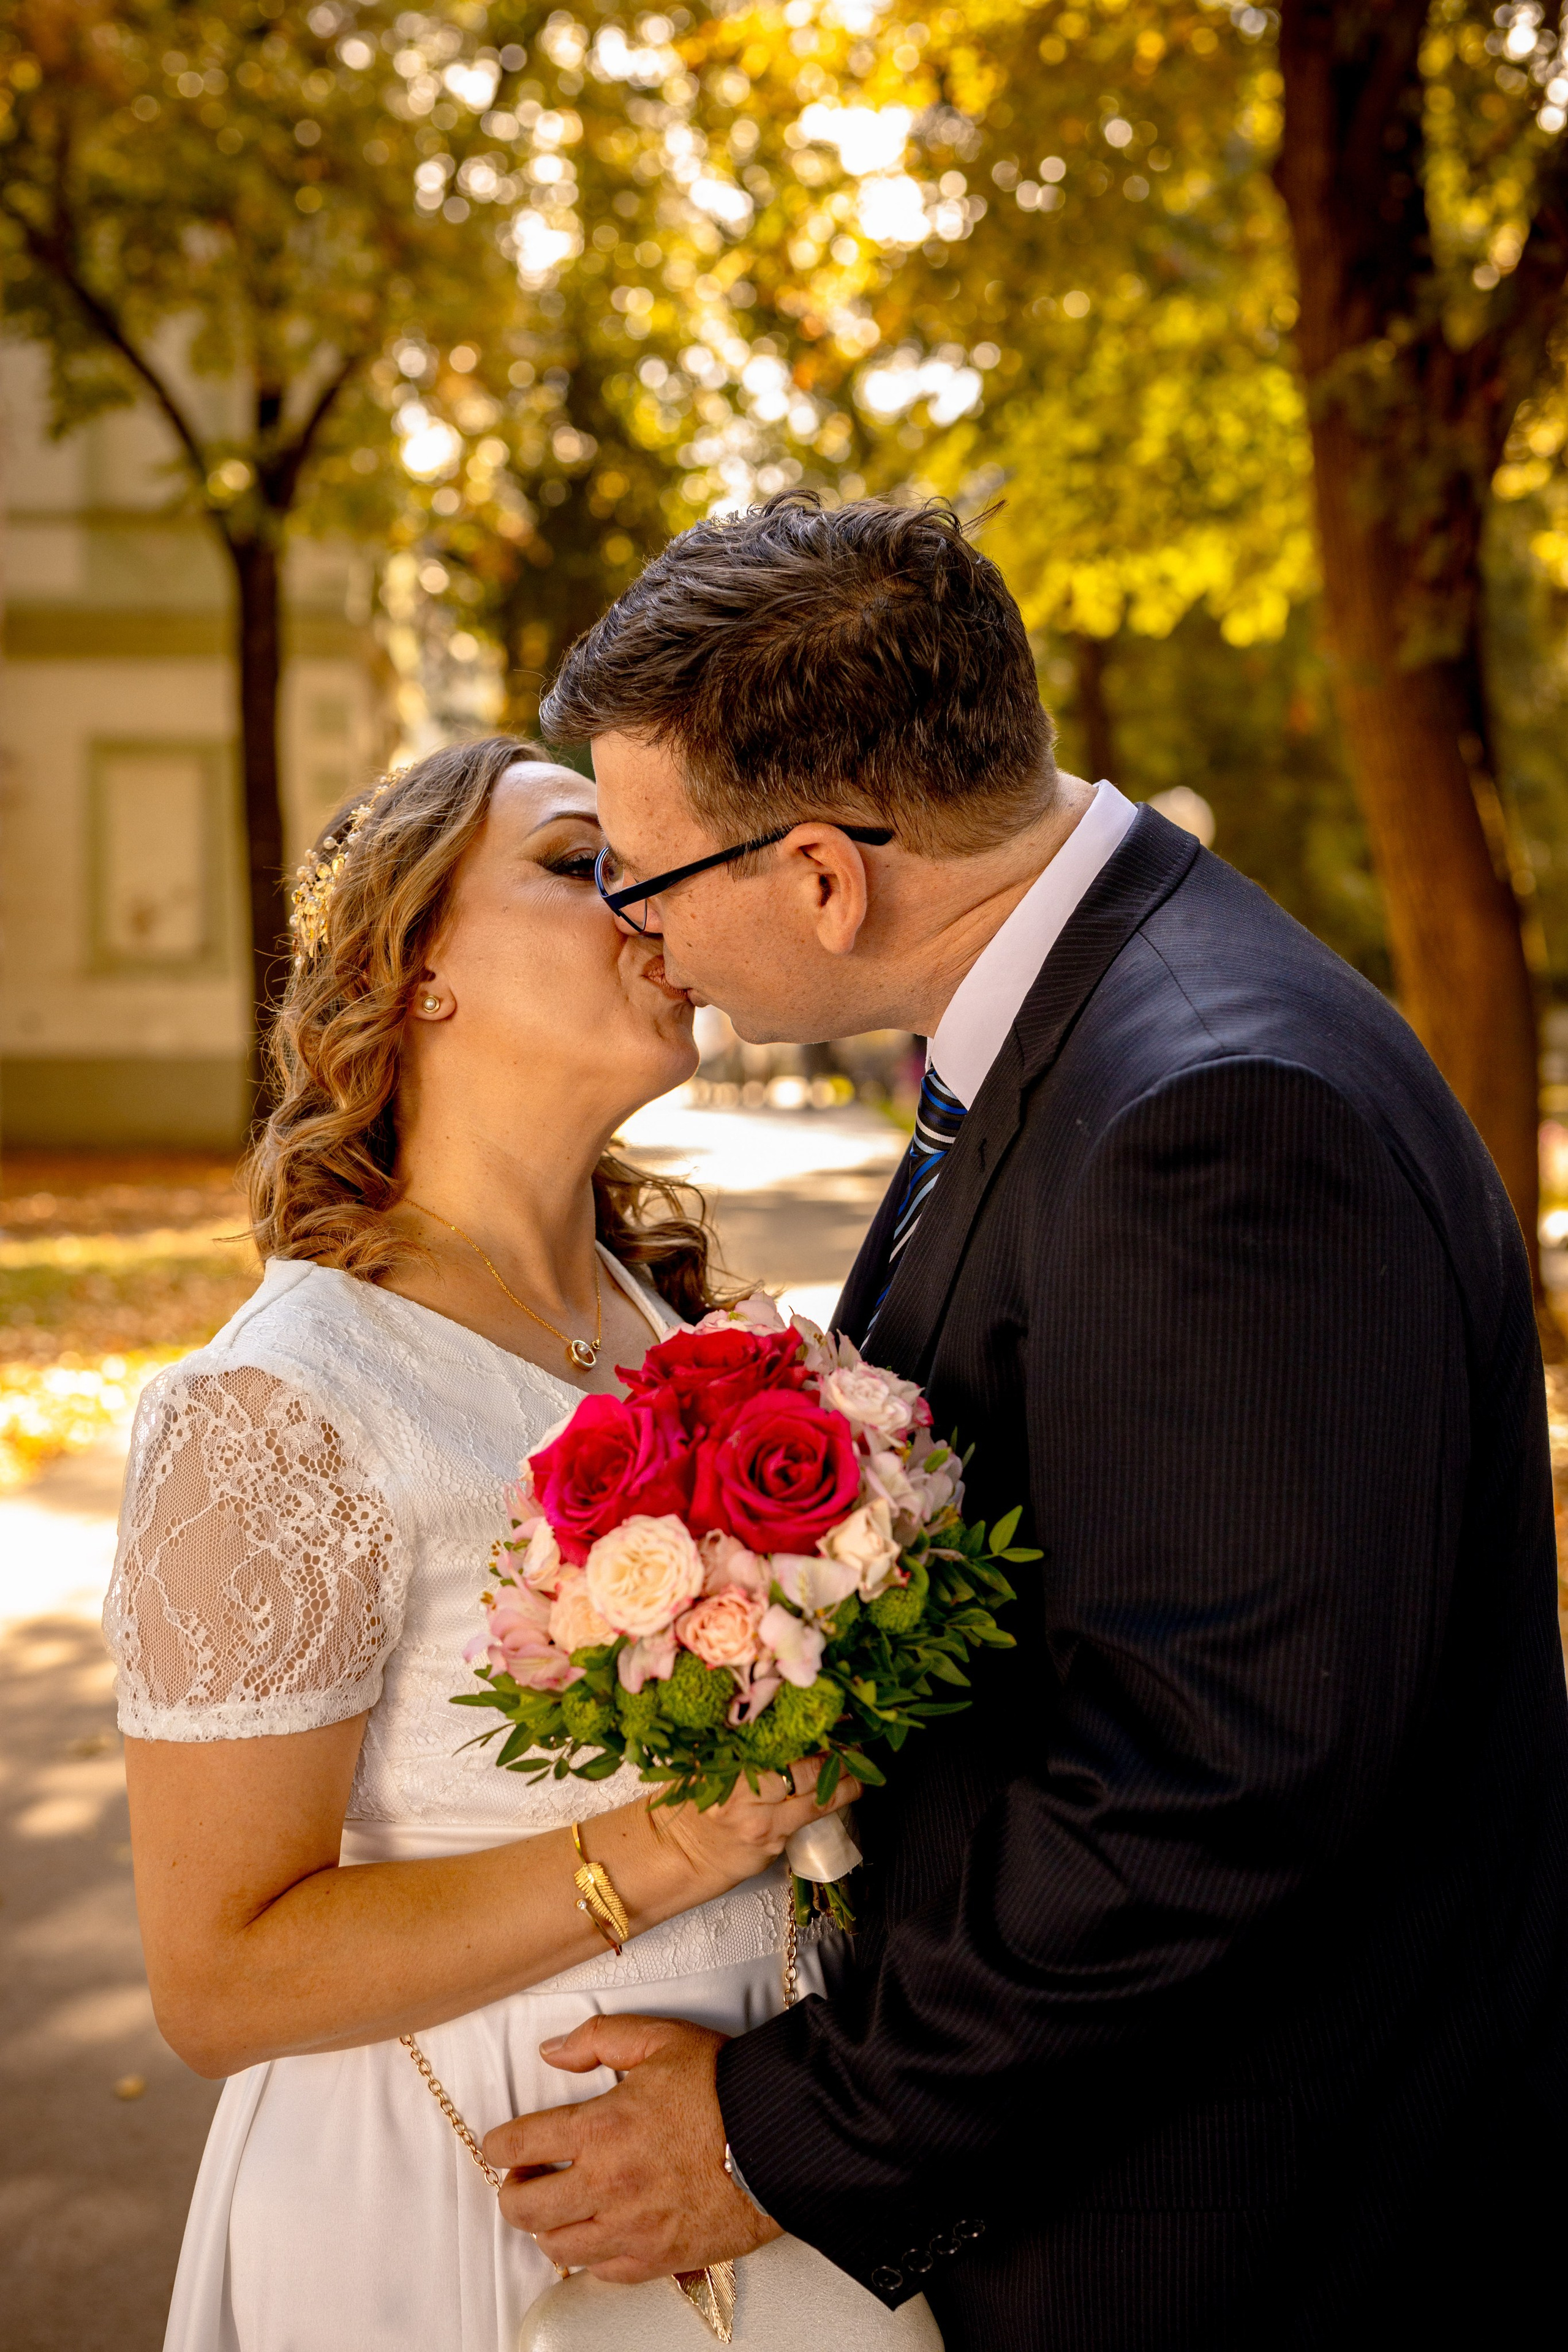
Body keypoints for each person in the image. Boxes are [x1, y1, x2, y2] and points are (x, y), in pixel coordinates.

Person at [483, 497, 1568, 2348]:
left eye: (645, 880)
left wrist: (778, 2135)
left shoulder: (1210, 1115)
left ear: (822, 875)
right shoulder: (1108, 1020)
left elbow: (1212, 1776)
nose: (638, 937)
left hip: (1242, 2230)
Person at [104, 737, 894, 2352]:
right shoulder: (278, 1406)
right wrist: (674, 1849)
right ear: (416, 972)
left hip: (763, 2142)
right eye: (577, 860)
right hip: (463, 2192)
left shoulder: (690, 1338)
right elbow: (217, 1981)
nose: (648, 898)